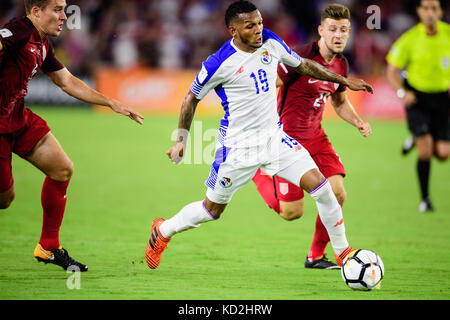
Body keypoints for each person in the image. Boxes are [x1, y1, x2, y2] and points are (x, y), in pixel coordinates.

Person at [145, 0, 373, 270]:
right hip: (238, 149)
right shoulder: (218, 63)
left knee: (324, 190)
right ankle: (163, 231)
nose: (258, 30)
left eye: (260, 23)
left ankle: (343, 253)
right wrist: (181, 141)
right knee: (211, 211)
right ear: (233, 30)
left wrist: (344, 81)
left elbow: (303, 65)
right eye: (250, 25)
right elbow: (189, 100)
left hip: (275, 139)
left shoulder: (270, 41)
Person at [0, 0, 144, 271]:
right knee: (4, 200)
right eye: (56, 9)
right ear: (35, 12)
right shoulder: (19, 30)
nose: (64, 16)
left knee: (62, 169)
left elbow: (66, 82)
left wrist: (112, 102)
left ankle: (48, 247)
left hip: (17, 117)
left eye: (64, 9)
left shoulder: (42, 43)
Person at [252, 4, 371, 270]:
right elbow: (271, 84)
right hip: (287, 140)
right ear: (321, 30)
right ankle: (258, 172)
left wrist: (358, 121)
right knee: (292, 213)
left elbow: (339, 102)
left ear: (349, 32)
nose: (338, 35)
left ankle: (316, 256)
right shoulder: (300, 57)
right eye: (332, 29)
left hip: (316, 137)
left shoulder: (342, 63)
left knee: (338, 193)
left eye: (343, 30)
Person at [386, 0, 449, 212]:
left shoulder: (448, 35)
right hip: (417, 99)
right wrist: (403, 93)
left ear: (440, 11)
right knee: (425, 149)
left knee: (443, 153)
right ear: (419, 12)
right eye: (426, 9)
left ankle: (415, 136)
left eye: (434, 8)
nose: (430, 13)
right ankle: (425, 199)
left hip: (442, 98)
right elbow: (391, 70)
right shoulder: (410, 38)